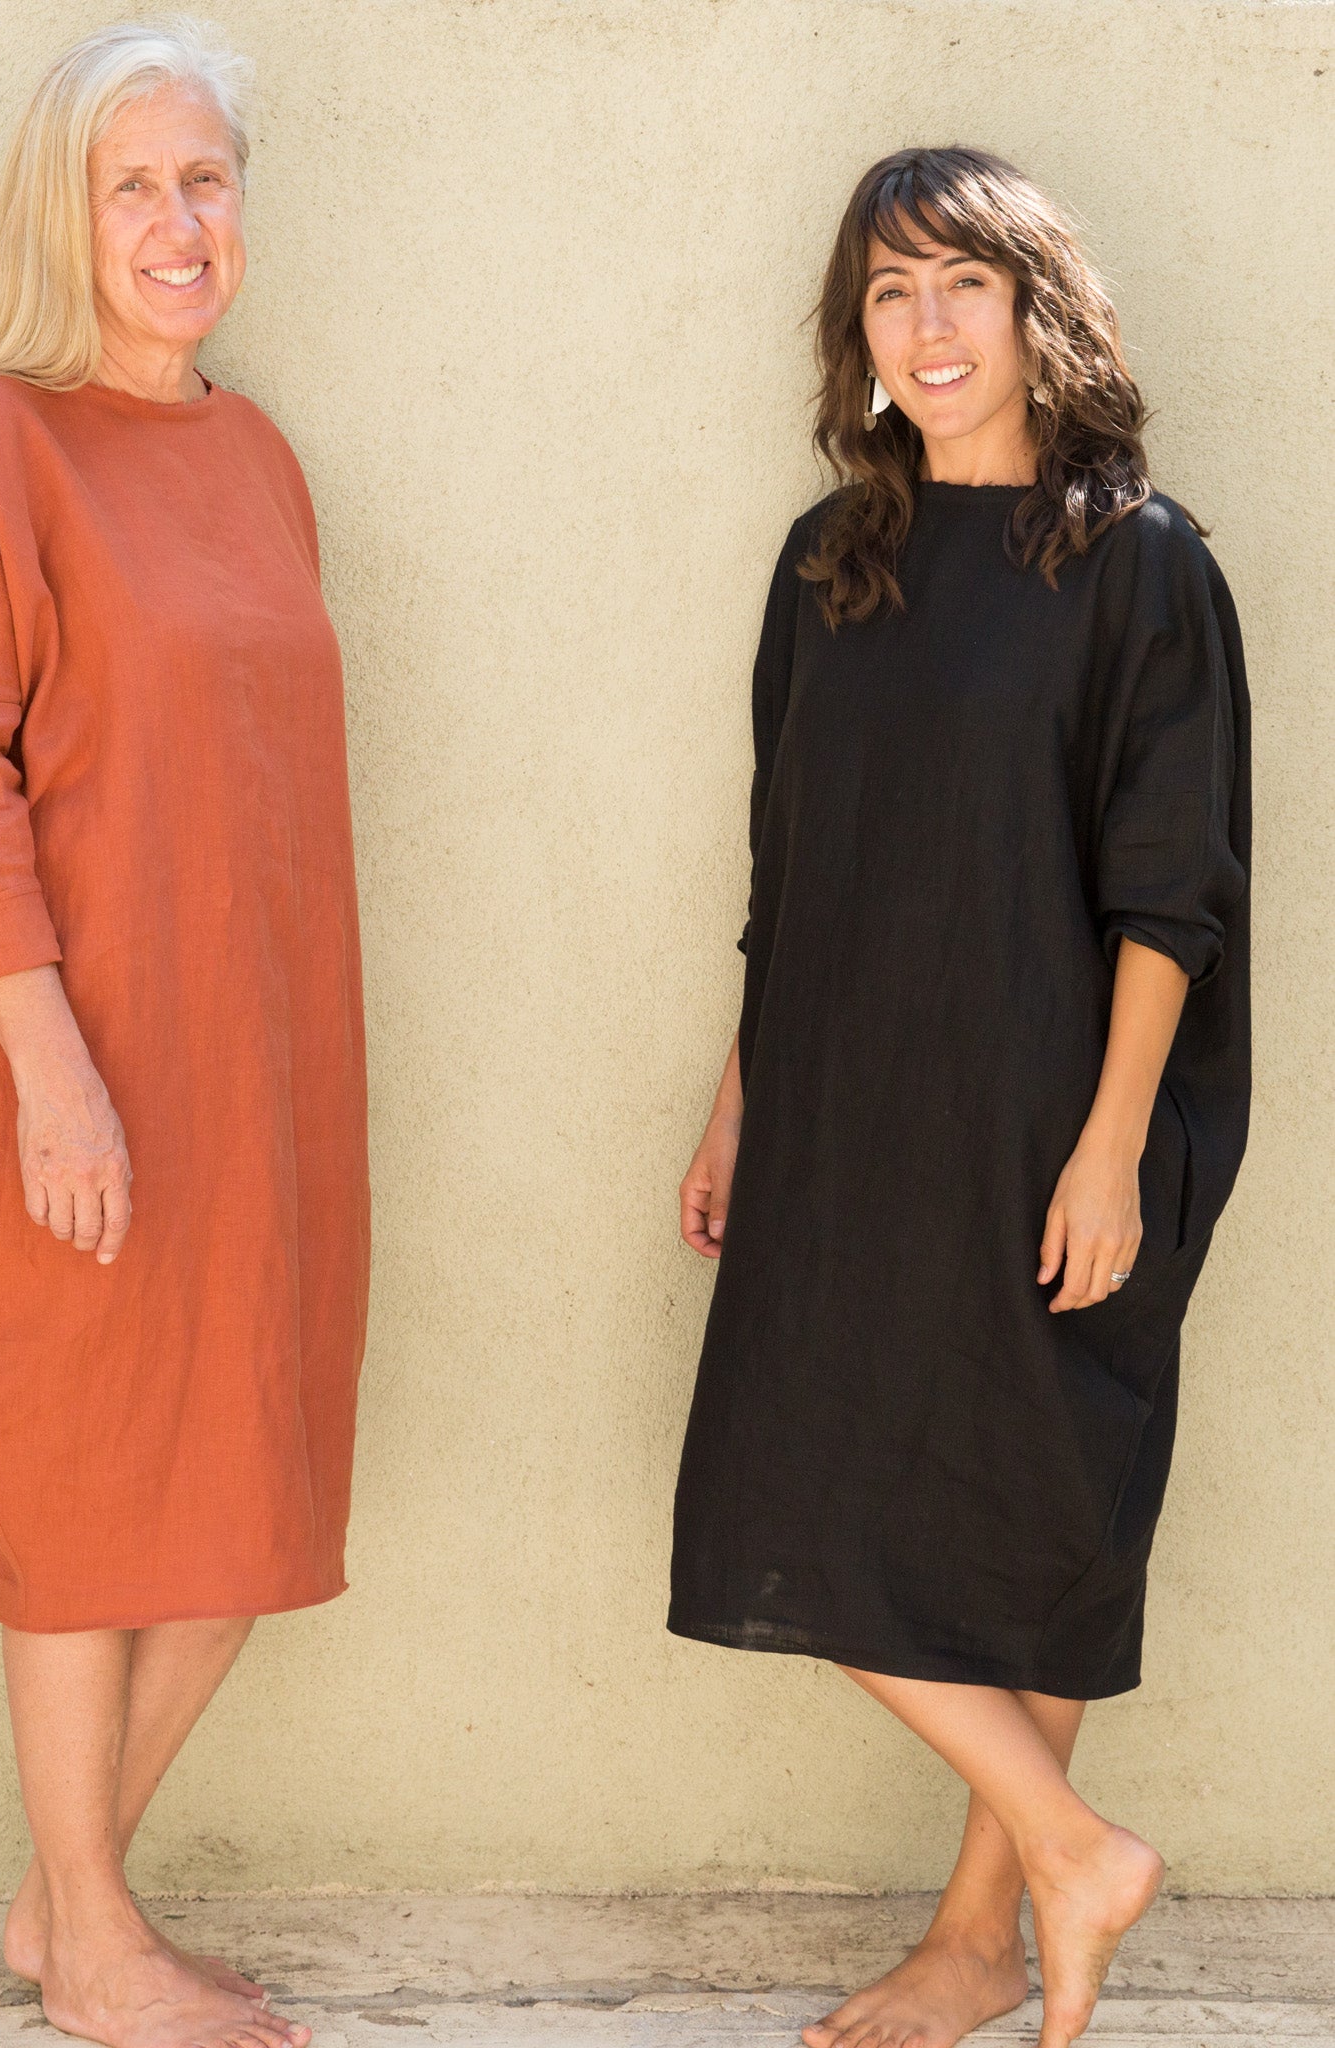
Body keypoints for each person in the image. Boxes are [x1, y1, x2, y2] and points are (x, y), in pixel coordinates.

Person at [669, 146, 1248, 2048]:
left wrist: (1107, 1154)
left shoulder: (1138, 562)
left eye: (957, 287)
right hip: (840, 1103)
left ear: (1032, 309)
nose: (920, 328)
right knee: (790, 1487)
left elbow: (1171, 890)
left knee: (1027, 1518)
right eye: (885, 295)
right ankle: (1064, 1864)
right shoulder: (828, 559)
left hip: (1048, 1115)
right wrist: (738, 1099)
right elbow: (789, 869)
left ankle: (981, 1933)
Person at [0, 22, 367, 2048]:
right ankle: (97, 1946)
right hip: (59, 1069)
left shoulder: (255, 460)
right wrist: (54, 1072)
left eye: (204, 180)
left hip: (251, 1081)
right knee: (77, 1514)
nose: (175, 221)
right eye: (130, 186)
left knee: (232, 1501)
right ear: (64, 217)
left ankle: (72, 1912)